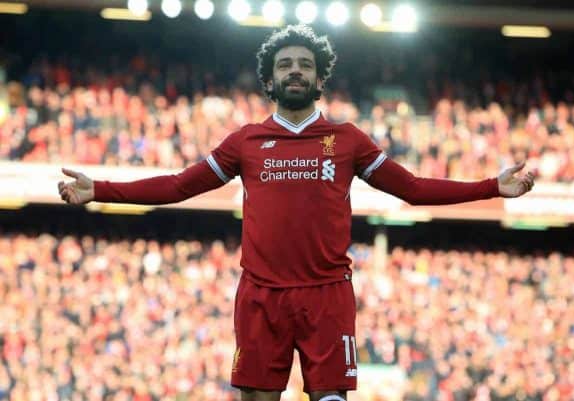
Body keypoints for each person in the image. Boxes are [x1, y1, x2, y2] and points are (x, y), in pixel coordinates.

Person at [57, 25, 535, 401]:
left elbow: (411, 188)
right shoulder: (244, 141)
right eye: (285, 64)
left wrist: (492, 186)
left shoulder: (348, 140)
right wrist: (100, 189)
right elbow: (180, 185)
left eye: (305, 65)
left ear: (319, 77)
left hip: (327, 296)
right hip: (261, 297)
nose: (294, 71)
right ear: (270, 77)